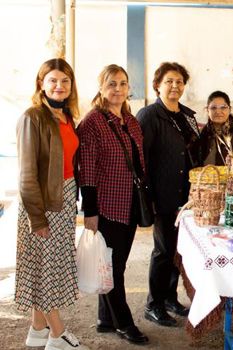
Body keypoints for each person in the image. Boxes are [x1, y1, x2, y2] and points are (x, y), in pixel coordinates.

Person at [15, 58, 87, 349]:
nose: (59, 86)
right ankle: (57, 334)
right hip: (43, 206)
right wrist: (38, 219)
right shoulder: (33, 117)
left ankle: (37, 330)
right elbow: (26, 174)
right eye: (53, 80)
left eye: (65, 81)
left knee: (47, 267)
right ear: (41, 84)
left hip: (65, 199)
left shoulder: (66, 117)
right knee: (46, 271)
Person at [77, 64, 149, 344]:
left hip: (130, 203)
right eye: (111, 84)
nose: (117, 89)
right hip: (107, 206)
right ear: (101, 87)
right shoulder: (92, 122)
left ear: (128, 87)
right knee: (112, 267)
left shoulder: (130, 121)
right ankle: (124, 322)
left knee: (113, 263)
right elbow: (88, 170)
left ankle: (105, 318)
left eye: (122, 83)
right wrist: (90, 212)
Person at [137, 62, 201, 327]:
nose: (175, 86)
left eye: (179, 82)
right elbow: (142, 158)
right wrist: (148, 196)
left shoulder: (186, 115)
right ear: (157, 85)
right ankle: (154, 304)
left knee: (179, 250)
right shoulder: (149, 115)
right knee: (163, 250)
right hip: (162, 194)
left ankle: (170, 298)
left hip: (186, 194)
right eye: (169, 81)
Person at [200, 90, 233, 170]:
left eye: (223, 107)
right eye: (213, 108)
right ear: (207, 110)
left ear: (229, 109)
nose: (218, 111)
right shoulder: (201, 135)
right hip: (205, 181)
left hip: (232, 181)